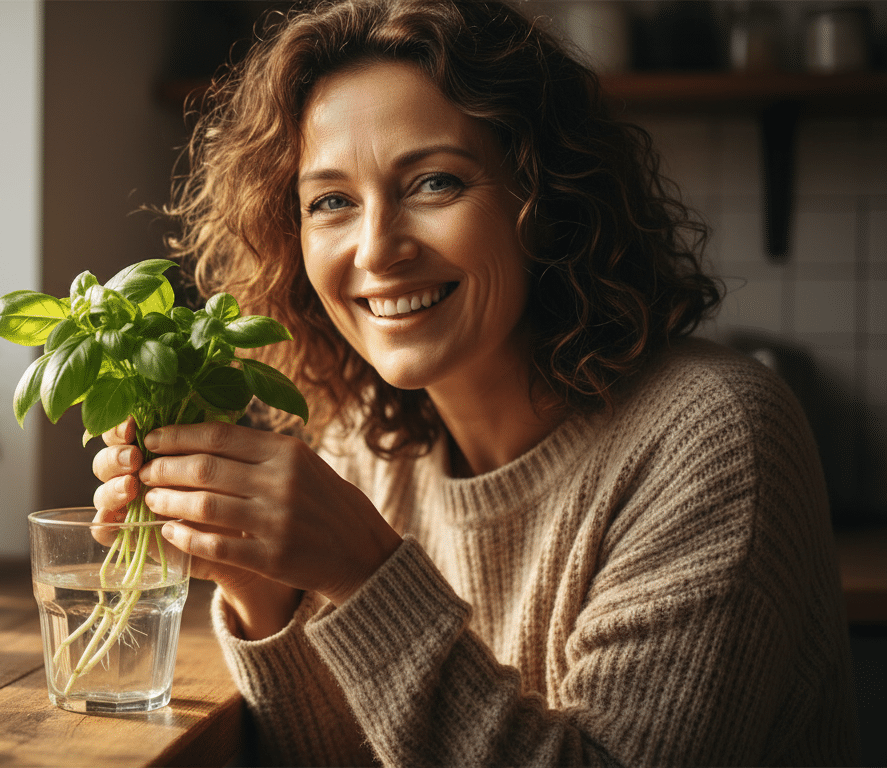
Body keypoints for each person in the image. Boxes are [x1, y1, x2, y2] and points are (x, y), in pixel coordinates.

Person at [92, 0, 859, 764]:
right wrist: (261, 593)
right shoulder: (368, 446)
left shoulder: (715, 436)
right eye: (330, 202)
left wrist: (366, 574)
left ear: (546, 198)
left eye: (433, 184)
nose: (376, 248)